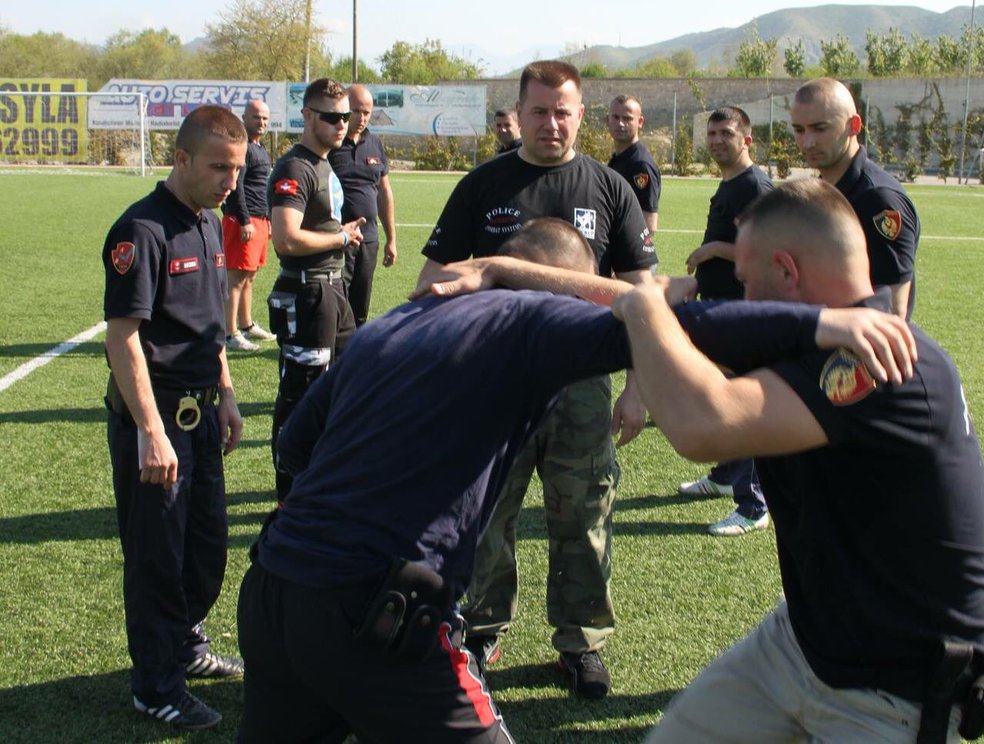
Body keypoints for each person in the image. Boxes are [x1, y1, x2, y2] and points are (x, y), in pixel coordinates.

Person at [237, 216, 916, 743]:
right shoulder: (534, 318)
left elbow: (296, 446)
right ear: (567, 288)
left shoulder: (398, 320)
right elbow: (675, 320)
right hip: (372, 611)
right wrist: (824, 320)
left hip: (272, 592)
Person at [615, 179, 984, 744]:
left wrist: (645, 305)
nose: (742, 300)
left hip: (893, 687)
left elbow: (702, 425)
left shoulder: (883, 364)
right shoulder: (804, 335)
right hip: (802, 640)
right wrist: (499, 269)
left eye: (747, 282)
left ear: (787, 272)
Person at [417, 60, 656, 699]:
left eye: (564, 111)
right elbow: (431, 284)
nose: (552, 122)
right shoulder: (482, 185)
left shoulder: (609, 188)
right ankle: (481, 628)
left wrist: (638, 386)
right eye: (540, 110)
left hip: (582, 384)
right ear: (518, 114)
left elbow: (641, 294)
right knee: (488, 511)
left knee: (584, 513)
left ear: (582, 114)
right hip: (494, 383)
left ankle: (581, 642)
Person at [102, 104, 248, 730]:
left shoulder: (211, 223)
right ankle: (155, 685)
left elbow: (210, 325)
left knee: (206, 547)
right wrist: (151, 432)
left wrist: (228, 392)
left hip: (201, 416)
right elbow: (123, 339)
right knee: (157, 557)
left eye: (237, 168)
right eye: (219, 166)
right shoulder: (141, 230)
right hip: (155, 423)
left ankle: (186, 647)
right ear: (181, 159)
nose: (229, 180)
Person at [266, 77, 365, 504]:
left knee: (344, 387)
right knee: (301, 396)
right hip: (308, 294)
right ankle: (289, 495)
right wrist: (340, 239)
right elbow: (286, 240)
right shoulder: (296, 167)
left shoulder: (324, 162)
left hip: (332, 290)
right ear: (307, 116)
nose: (341, 124)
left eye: (345, 116)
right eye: (331, 117)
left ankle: (327, 482)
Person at [678, 106, 775, 537]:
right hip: (718, 305)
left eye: (726, 133)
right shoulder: (730, 182)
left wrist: (714, 249)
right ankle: (723, 476)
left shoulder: (755, 185)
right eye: (712, 133)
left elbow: (769, 252)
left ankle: (753, 504)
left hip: (743, 310)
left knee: (740, 403)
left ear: (747, 139)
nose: (717, 140)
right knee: (719, 396)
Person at [791, 77, 921, 319]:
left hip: (857, 352)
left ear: (854, 126)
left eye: (820, 128)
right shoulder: (820, 190)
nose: (807, 142)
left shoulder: (878, 200)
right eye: (799, 130)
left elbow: (893, 311)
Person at [330, 84, 397, 327]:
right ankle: (335, 345)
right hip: (338, 238)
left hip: (369, 238)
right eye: (356, 111)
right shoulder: (332, 144)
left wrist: (391, 238)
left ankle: (355, 346)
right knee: (337, 296)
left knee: (361, 300)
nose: (362, 118)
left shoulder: (375, 144)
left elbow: (384, 192)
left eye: (367, 112)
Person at [221, 99, 275, 352]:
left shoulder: (260, 148)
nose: (261, 123)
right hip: (245, 221)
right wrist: (243, 219)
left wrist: (269, 219)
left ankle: (246, 324)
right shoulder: (241, 148)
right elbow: (236, 186)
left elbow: (262, 186)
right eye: (256, 118)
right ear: (244, 118)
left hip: (260, 220)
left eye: (265, 118)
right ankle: (229, 332)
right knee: (236, 278)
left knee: (250, 276)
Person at [606, 94, 660, 233]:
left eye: (627, 118)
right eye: (616, 117)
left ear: (640, 122)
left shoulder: (640, 164)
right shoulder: (619, 159)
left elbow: (649, 225)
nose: (620, 123)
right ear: (608, 120)